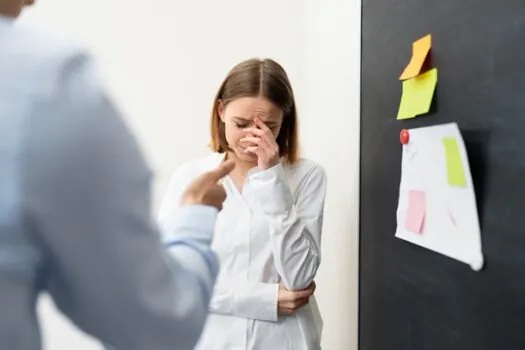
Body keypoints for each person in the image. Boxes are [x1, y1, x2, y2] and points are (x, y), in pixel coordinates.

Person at [0, 1, 235, 349]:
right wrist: (196, 217)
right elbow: (158, 323)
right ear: (221, 113)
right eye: (242, 123)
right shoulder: (47, 82)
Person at [158, 58, 327, 350]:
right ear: (221, 111)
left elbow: (299, 278)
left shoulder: (307, 176)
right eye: (241, 124)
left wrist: (271, 178)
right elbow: (171, 278)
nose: (252, 138)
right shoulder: (191, 178)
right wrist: (264, 299)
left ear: (283, 122)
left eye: (267, 126)